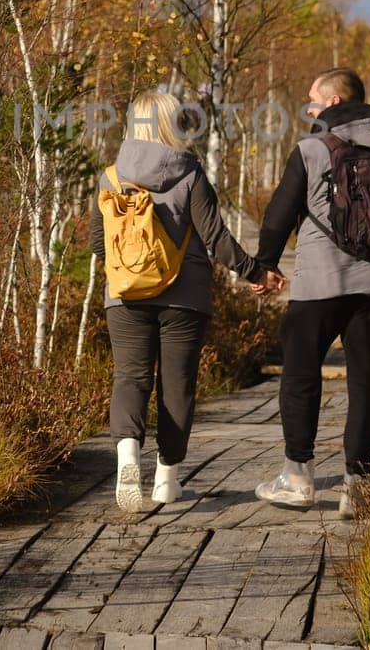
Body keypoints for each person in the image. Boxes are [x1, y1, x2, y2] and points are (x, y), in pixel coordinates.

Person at [252, 67, 370, 517]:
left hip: (319, 283)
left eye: (312, 99)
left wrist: (266, 266)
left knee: (300, 375)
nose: (308, 107)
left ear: (333, 103)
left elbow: (280, 214)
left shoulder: (313, 149)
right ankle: (357, 486)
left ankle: (297, 478)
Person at [91, 90, 282, 512]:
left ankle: (126, 459)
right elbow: (216, 238)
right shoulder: (190, 172)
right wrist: (258, 274)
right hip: (185, 298)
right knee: (176, 386)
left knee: (130, 378)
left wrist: (128, 270)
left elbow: (96, 242)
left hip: (124, 298)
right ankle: (166, 481)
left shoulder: (110, 177)